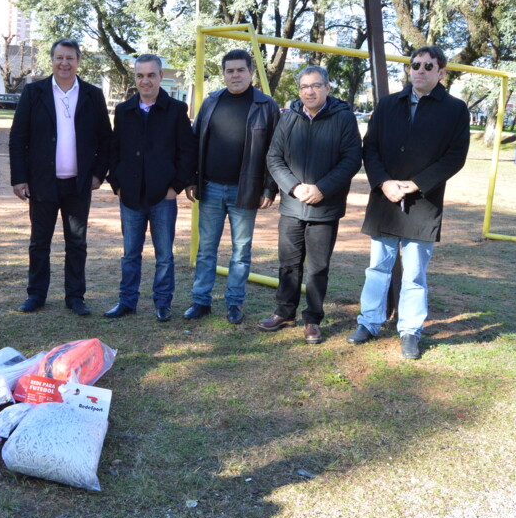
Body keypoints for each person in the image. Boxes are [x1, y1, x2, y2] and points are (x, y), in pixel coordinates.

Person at [347, 46, 470, 359]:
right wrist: (384, 182)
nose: (420, 70)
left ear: (442, 72)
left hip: (423, 202)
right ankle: (370, 322)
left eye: (429, 66)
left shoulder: (455, 110)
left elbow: (455, 157)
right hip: (385, 198)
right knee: (377, 267)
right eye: (415, 64)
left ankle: (410, 330)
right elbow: (369, 148)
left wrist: (417, 184)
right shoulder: (388, 105)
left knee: (414, 273)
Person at [258, 66, 362, 343]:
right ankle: (284, 311)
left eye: (316, 85)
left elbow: (352, 160)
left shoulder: (344, 119)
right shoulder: (289, 117)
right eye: (304, 86)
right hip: (292, 205)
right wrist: (293, 187)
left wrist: (322, 189)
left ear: (327, 88)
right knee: (288, 264)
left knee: (318, 267)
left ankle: (313, 318)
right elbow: (274, 157)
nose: (309, 91)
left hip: (325, 207)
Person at [9, 39, 112, 316]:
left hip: (79, 184)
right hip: (42, 182)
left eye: (70, 58)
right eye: (59, 58)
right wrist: (19, 178)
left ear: (78, 61)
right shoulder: (34, 93)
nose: (64, 63)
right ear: (51, 61)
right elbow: (18, 138)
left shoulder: (93, 94)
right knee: (39, 242)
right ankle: (36, 295)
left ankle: (75, 297)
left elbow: (106, 139)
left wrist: (98, 174)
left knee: (77, 243)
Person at [183, 49, 280, 324]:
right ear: (223, 73)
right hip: (211, 187)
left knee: (240, 252)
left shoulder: (266, 106)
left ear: (251, 73)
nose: (235, 75)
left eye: (240, 70)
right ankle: (200, 301)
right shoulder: (211, 102)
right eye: (230, 70)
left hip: (245, 191)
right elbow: (194, 141)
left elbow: (276, 150)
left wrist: (269, 188)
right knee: (206, 250)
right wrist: (191, 178)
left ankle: (234, 303)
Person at [104, 54, 197, 322]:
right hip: (130, 195)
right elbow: (114, 150)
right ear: (135, 78)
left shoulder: (176, 110)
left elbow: (186, 152)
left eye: (151, 75)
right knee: (130, 254)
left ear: (160, 76)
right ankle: (127, 301)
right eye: (140, 75)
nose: (145, 80)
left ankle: (163, 302)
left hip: (162, 196)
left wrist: (175, 187)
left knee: (164, 255)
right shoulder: (124, 111)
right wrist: (117, 184)